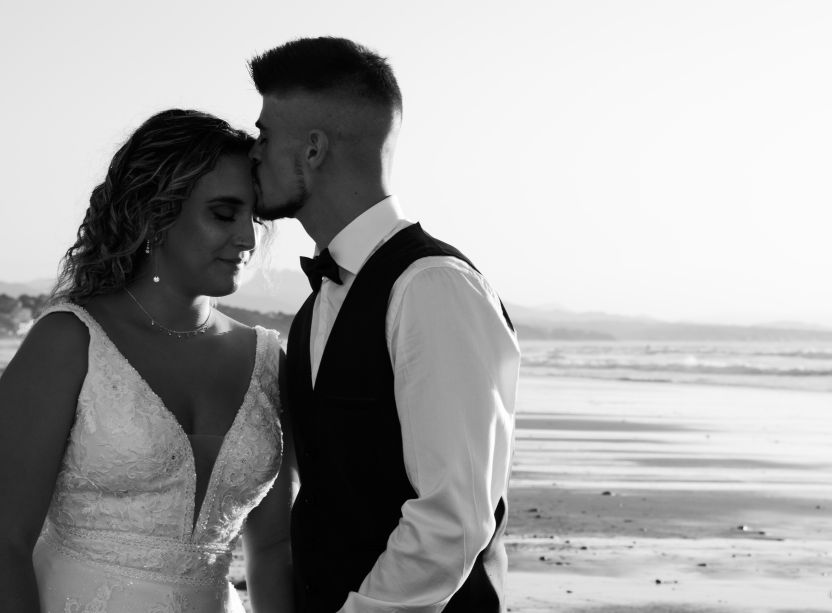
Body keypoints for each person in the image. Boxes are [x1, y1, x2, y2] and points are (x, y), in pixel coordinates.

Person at [248, 37, 520, 612]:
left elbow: (453, 519)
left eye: (265, 136)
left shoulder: (432, 287)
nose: (253, 154)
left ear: (313, 150)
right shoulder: (321, 301)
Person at [0, 109, 295, 613]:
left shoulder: (268, 359)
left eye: (256, 217)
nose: (248, 238)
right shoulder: (69, 341)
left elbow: (271, 549)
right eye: (224, 214)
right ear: (156, 213)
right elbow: (4, 541)